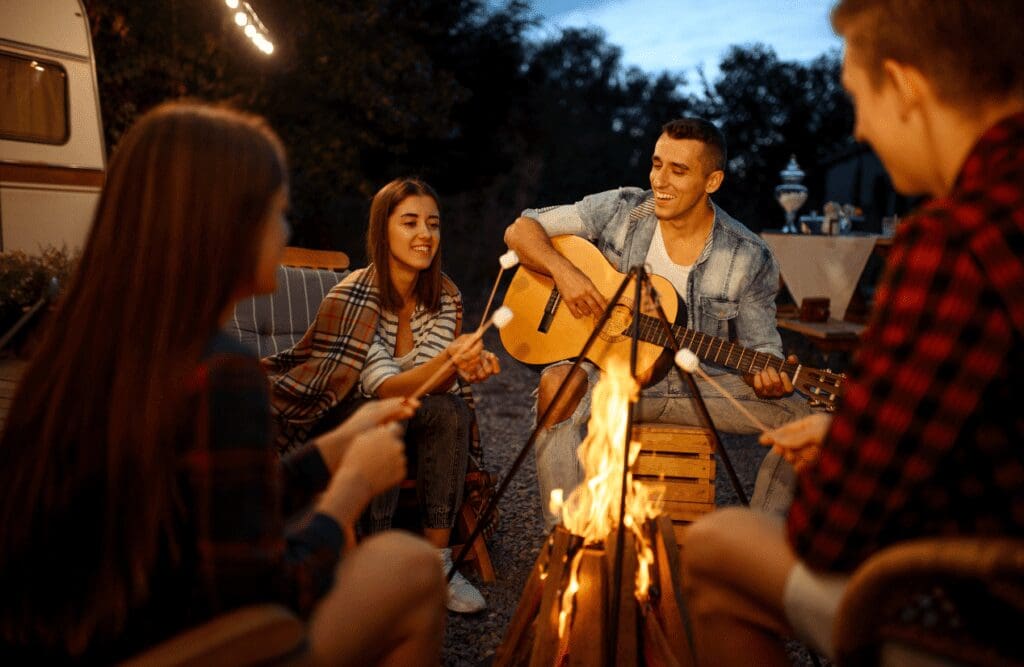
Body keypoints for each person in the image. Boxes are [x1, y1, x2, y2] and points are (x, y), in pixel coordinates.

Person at [0, 102, 446, 665]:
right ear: (226, 224)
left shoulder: (80, 348)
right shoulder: (220, 370)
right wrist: (353, 488)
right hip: (179, 648)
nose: (285, 232)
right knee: (410, 566)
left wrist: (336, 448)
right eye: (278, 213)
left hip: (90, 631)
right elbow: (267, 591)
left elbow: (215, 508)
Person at [679, 1, 1024, 663]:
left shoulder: (958, 239)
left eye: (859, 99)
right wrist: (852, 429)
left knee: (716, 546)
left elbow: (831, 530)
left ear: (905, 87)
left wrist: (848, 454)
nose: (860, 129)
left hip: (989, 610)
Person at [503, 117, 814, 525]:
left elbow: (763, 348)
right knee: (556, 385)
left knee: (806, 416)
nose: (660, 180)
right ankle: (568, 542)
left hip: (699, 388)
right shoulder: (622, 209)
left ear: (712, 181)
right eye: (656, 163)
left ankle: (759, 536)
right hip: (613, 379)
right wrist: (566, 272)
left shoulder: (748, 255)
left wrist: (767, 373)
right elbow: (522, 229)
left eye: (678, 170)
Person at [264, 177, 501, 614]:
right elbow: (383, 384)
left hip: (415, 412)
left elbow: (434, 384)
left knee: (449, 409)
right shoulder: (351, 295)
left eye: (432, 223)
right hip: (344, 415)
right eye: (410, 223)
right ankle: (374, 560)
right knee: (385, 410)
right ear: (382, 230)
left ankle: (439, 564)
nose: (424, 235)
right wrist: (450, 361)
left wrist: (456, 364)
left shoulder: (445, 297)